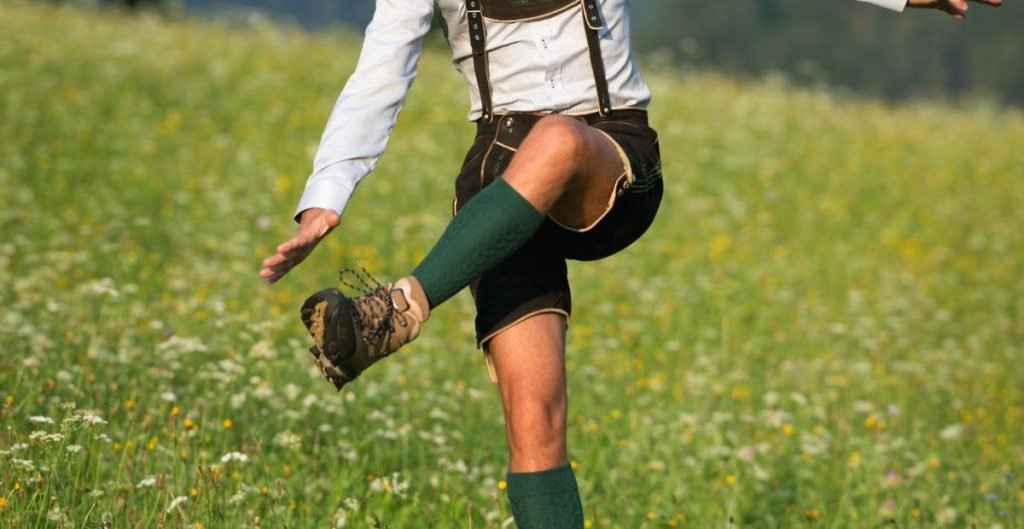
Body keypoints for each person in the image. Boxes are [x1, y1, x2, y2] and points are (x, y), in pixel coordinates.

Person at [260, 0, 1001, 526]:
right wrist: (325, 195)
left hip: (605, 158)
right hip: (499, 191)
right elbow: (380, 71)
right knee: (534, 418)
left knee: (553, 138)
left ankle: (395, 313)